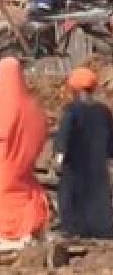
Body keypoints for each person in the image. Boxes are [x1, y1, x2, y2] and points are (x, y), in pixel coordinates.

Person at [0, 57, 49, 244]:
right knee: (24, 193)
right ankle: (25, 234)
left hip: (2, 163)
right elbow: (41, 132)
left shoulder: (1, 101)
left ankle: (1, 237)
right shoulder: (32, 106)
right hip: (24, 163)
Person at [55, 67, 113, 238]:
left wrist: (59, 159)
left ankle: (74, 230)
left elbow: (64, 137)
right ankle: (101, 229)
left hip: (75, 167)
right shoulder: (104, 112)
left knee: (72, 197)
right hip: (97, 167)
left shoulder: (71, 111)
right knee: (98, 198)